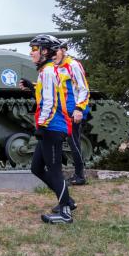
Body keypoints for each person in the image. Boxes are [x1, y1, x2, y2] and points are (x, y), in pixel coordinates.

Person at [19, 34, 74, 224]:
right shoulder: (46, 72)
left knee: (54, 170)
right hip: (49, 126)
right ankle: (66, 199)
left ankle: (65, 213)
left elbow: (50, 102)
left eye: (35, 49)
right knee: (36, 168)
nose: (31, 52)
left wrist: (42, 125)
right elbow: (48, 93)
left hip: (52, 127)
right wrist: (32, 87)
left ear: (45, 51)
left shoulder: (48, 72)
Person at [56, 41, 90, 185]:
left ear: (63, 50)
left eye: (56, 51)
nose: (53, 54)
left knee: (73, 142)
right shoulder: (57, 67)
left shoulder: (73, 65)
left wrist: (79, 109)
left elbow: (83, 89)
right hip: (62, 110)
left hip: (73, 110)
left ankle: (80, 176)